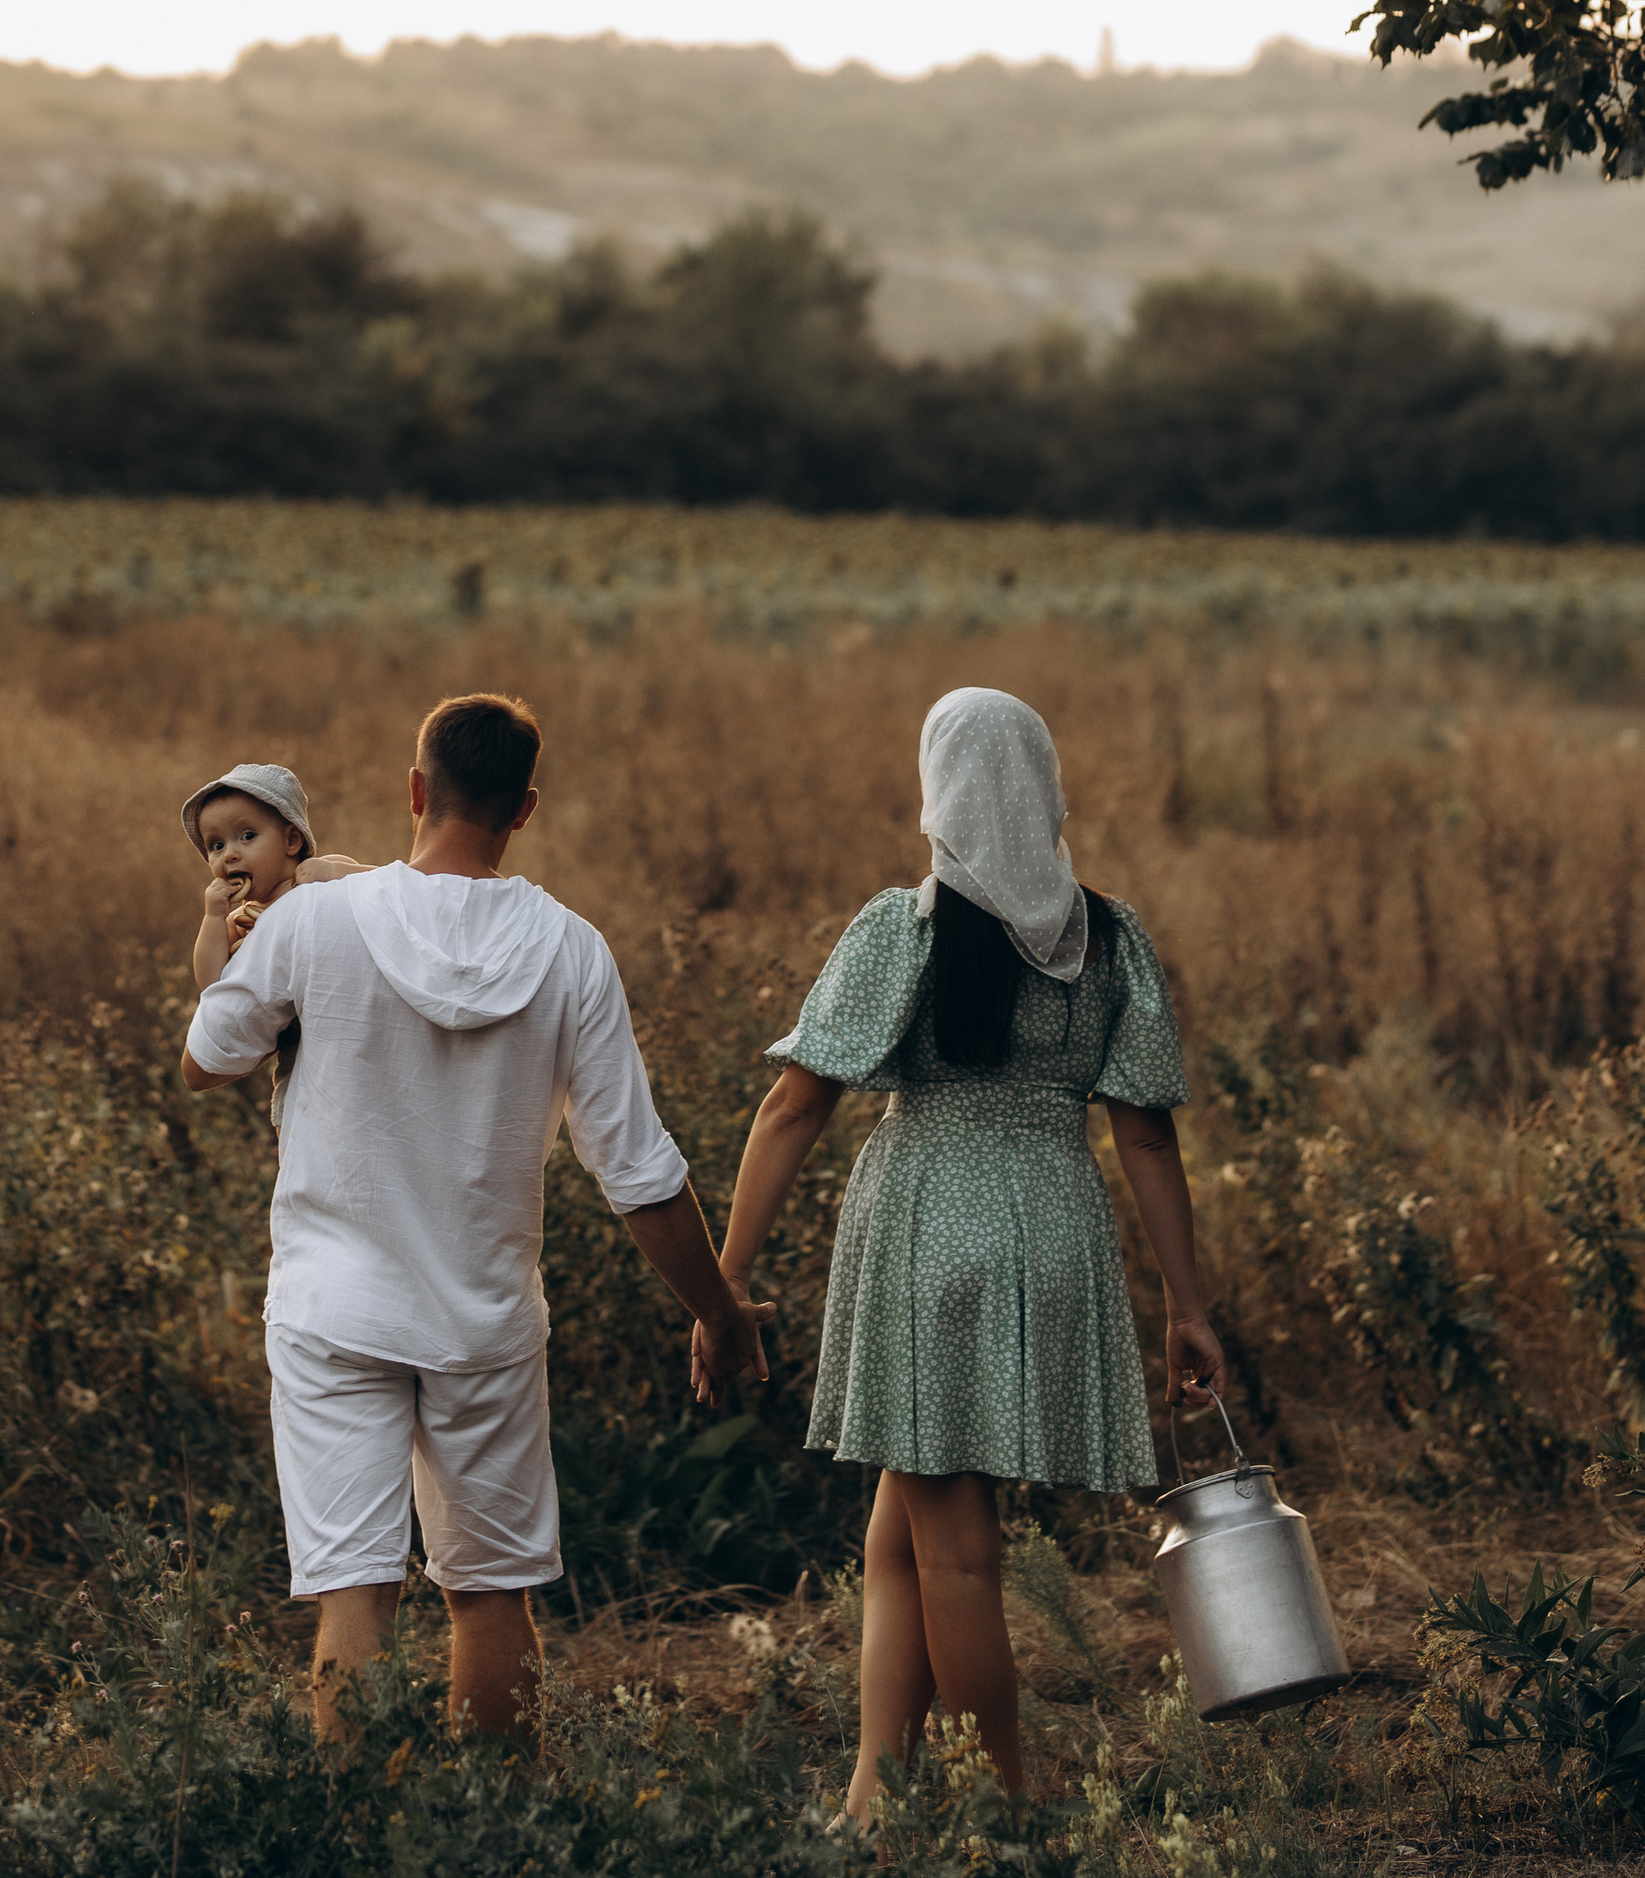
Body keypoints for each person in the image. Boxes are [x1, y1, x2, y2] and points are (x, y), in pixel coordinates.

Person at [182, 689, 766, 1745]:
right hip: (483, 1326)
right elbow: (636, 1171)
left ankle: (353, 1834)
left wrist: (224, 905)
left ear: (416, 790)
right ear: (523, 809)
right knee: (491, 1590)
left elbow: (205, 1058)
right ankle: (497, 1835)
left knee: (355, 1590)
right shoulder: (570, 950)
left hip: (330, 1312)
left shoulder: (316, 919)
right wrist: (717, 1310)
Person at [702, 686, 1221, 1818]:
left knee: (958, 1557)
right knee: (901, 1535)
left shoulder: (905, 926)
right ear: (1045, 790)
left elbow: (793, 1108)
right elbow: (1142, 1127)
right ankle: (872, 1798)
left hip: (929, 1224)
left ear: (937, 794)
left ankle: (1006, 1805)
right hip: (1054, 1222)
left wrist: (726, 1274)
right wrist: (1186, 1305)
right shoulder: (1110, 936)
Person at [180, 762, 364, 992]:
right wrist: (213, 917)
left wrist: (334, 872)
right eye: (217, 845)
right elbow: (211, 983)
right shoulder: (240, 921)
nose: (229, 854)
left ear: (292, 840)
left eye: (247, 836)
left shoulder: (325, 873)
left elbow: (388, 887)